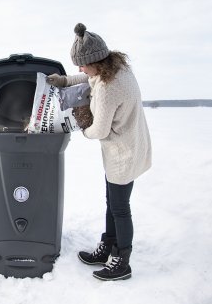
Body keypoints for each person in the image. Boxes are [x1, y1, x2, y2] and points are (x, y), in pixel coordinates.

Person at [47, 23, 152, 281]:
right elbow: (88, 77)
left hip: (122, 154)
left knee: (120, 208)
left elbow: (99, 131)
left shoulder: (107, 89)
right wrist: (63, 81)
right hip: (133, 143)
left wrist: (81, 126)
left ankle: (122, 261)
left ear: (95, 61)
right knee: (113, 203)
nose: (79, 70)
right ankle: (108, 246)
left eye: (81, 64)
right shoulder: (117, 68)